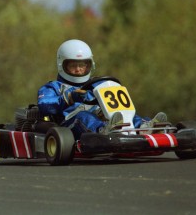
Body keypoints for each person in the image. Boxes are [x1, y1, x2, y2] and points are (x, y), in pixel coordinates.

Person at [37, 39, 167, 140]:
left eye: (82, 65)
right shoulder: (53, 87)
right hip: (69, 124)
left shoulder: (95, 84)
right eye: (73, 65)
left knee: (124, 114)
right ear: (62, 65)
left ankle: (144, 127)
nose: (78, 69)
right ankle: (103, 131)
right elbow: (44, 105)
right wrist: (70, 97)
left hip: (103, 118)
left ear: (89, 65)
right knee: (83, 116)